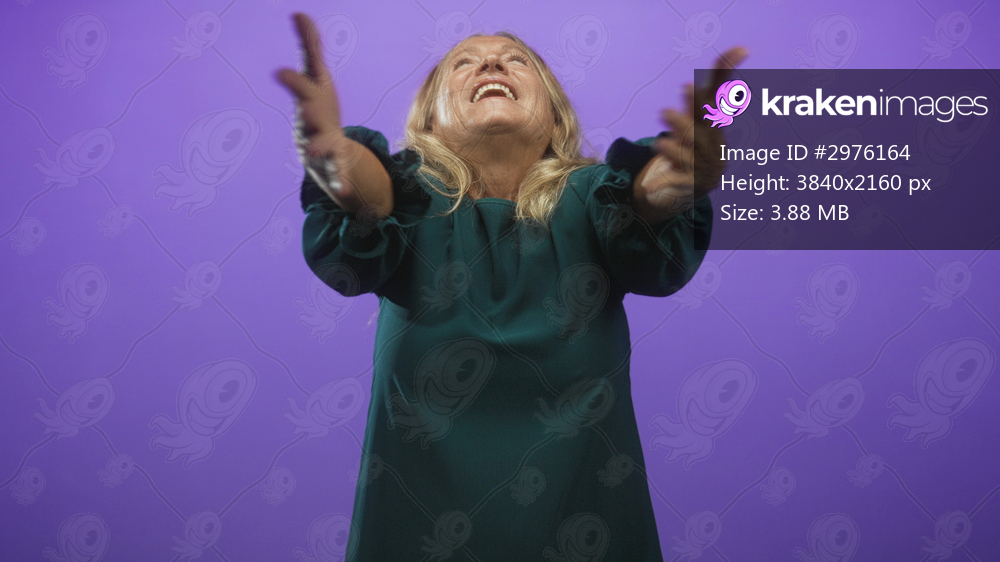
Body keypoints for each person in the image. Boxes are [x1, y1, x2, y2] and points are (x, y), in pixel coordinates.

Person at [277, 12, 746, 561]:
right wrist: (335, 156)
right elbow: (370, 193)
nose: (492, 64)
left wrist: (680, 176)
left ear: (555, 116)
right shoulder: (410, 203)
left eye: (516, 60)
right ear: (429, 121)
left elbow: (648, 194)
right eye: (464, 63)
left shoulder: (595, 198)